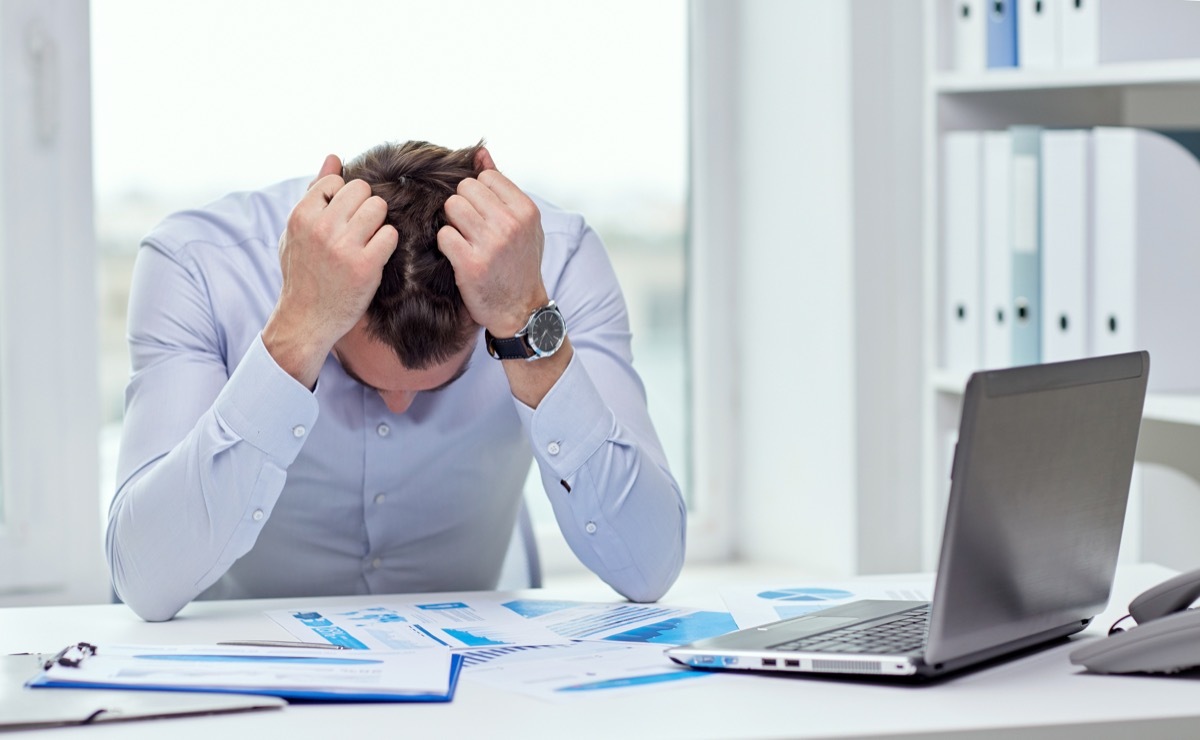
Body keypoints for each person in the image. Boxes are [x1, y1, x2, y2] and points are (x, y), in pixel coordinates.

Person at [106, 140, 687, 621]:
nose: (399, 403)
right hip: (236, 674)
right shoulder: (199, 262)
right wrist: (298, 331)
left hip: (478, 681)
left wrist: (524, 320)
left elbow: (650, 565)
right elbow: (145, 579)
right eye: (360, 371)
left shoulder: (553, 263)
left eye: (440, 382)